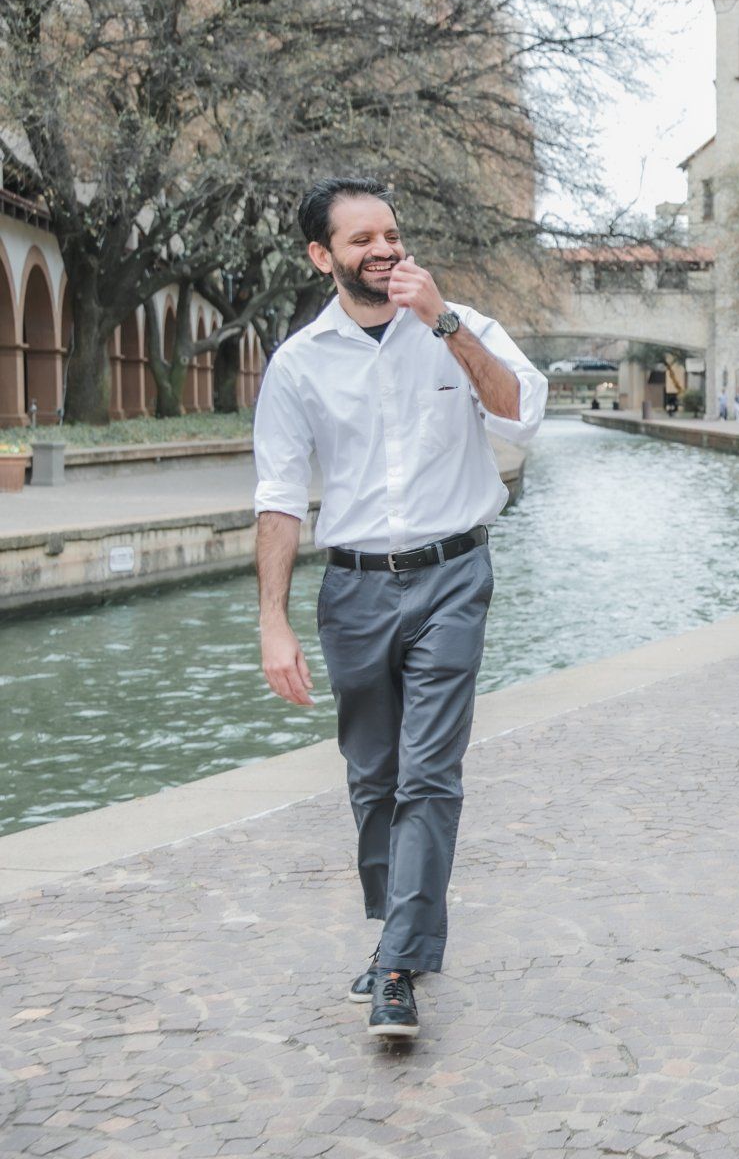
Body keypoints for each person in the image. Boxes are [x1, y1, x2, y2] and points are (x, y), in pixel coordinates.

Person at [252, 177, 548, 1041]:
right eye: (361, 241)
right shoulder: (299, 362)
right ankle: (399, 931)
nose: (384, 250)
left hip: (454, 575)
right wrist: (272, 621)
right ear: (323, 257)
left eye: (392, 235)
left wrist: (445, 322)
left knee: (428, 772)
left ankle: (395, 966)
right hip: (351, 590)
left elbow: (524, 415)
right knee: (372, 777)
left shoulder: (460, 326)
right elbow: (278, 495)